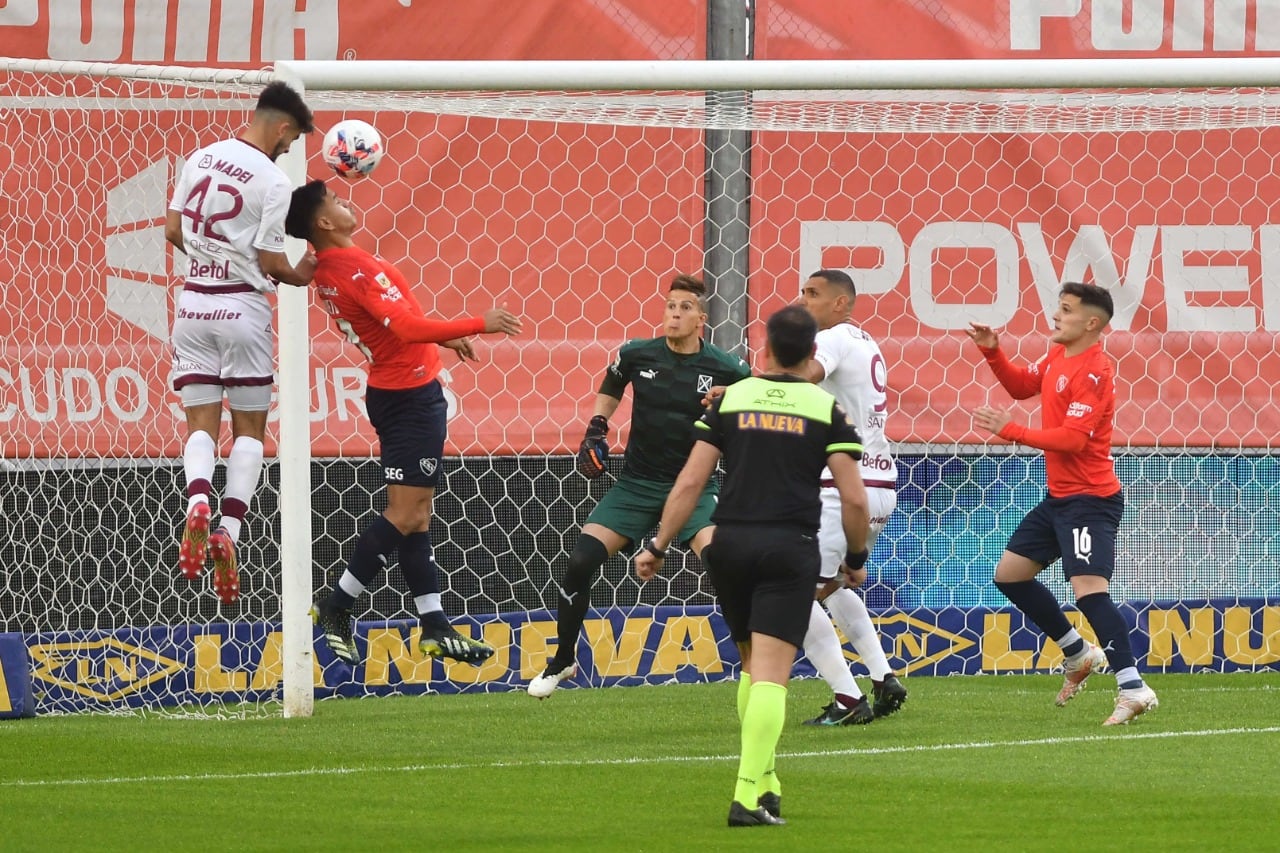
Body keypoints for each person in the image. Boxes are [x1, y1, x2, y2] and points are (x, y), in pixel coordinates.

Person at [635, 305, 870, 828]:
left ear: (765, 348)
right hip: (788, 549)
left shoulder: (733, 398)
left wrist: (658, 545)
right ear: (812, 353)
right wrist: (855, 558)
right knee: (772, 674)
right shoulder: (825, 408)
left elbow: (691, 481)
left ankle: (766, 783)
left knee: (749, 664)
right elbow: (854, 500)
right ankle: (745, 797)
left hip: (731, 545)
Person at [285, 179, 522, 666]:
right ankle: (337, 605)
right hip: (411, 399)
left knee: (417, 514)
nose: (346, 202)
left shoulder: (328, 266)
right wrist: (478, 323)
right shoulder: (353, 269)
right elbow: (408, 327)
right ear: (324, 222)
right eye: (336, 201)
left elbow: (392, 324)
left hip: (393, 392)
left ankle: (434, 625)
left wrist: (440, 339)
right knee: (406, 515)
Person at [526, 275, 751, 698]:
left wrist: (731, 410)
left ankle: (752, 666)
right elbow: (612, 384)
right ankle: (563, 659)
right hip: (637, 483)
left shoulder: (729, 368)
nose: (675, 314)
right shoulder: (636, 353)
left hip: (694, 487)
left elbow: (752, 408)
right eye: (670, 306)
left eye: (685, 308)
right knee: (580, 561)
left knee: (722, 563)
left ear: (701, 319)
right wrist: (596, 427)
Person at [966, 281, 1158, 726]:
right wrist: (993, 352)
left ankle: (1134, 687)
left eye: (1066, 309)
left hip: (1090, 501)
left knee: (1090, 592)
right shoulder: (1058, 354)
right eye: (1059, 307)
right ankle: (1077, 652)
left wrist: (1011, 431)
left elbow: (1073, 440)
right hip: (1060, 499)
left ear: (1091, 323)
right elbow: (1021, 386)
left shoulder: (1094, 372)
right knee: (1010, 576)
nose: (1056, 315)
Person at [166, 82, 318, 604]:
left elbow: (172, 230)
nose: (288, 149)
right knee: (250, 429)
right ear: (282, 127)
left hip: (193, 304)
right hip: (242, 309)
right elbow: (273, 262)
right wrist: (304, 271)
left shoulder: (200, 157)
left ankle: (197, 501)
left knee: (200, 425)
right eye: (291, 140)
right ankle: (228, 530)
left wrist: (212, 257)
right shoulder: (274, 181)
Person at [796, 270, 907, 725]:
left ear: (841, 303)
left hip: (841, 489)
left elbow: (804, 377)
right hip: (878, 486)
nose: (803, 300)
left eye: (813, 293)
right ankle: (882, 677)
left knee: (791, 595)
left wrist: (747, 390)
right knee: (836, 584)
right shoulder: (865, 340)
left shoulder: (833, 338)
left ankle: (847, 699)